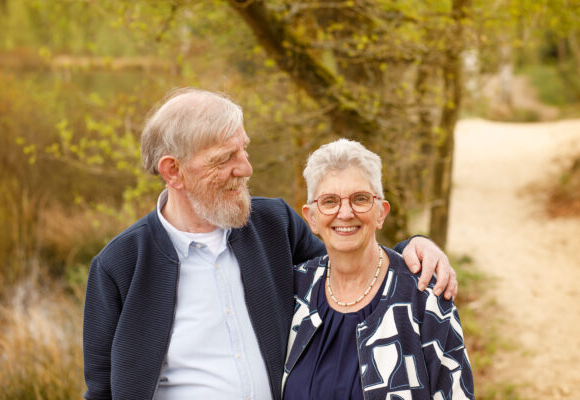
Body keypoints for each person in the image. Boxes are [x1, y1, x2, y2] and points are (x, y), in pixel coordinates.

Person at [83, 88, 459, 400]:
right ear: (173, 171)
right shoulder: (119, 266)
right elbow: (100, 390)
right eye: (226, 158)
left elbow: (350, 266)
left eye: (243, 149)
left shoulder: (272, 225)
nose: (246, 168)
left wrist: (415, 245)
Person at [283, 139, 473, 399]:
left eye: (360, 199)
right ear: (312, 218)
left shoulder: (423, 296)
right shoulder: (294, 293)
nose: (346, 213)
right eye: (329, 201)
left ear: (381, 213)